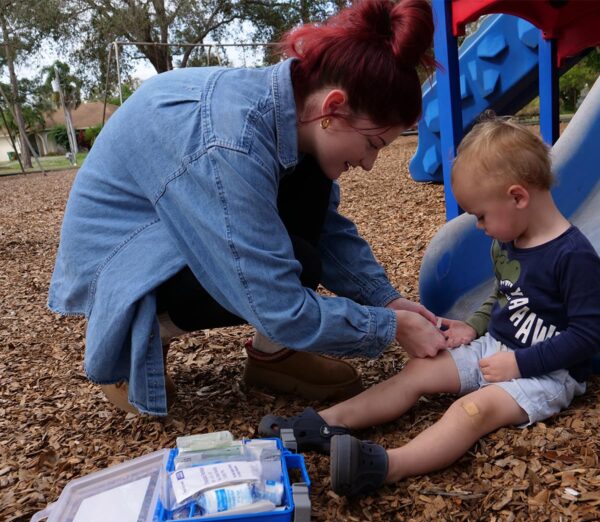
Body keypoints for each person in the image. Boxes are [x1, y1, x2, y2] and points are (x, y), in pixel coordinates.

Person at [48, 0, 446, 415]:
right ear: (333, 108)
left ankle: (274, 357)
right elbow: (275, 302)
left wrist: (387, 302)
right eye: (372, 144)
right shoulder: (230, 141)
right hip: (125, 255)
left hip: (175, 221)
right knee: (279, 273)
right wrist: (390, 329)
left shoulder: (295, 118)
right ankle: (133, 337)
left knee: (304, 246)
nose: (368, 163)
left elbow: (326, 233)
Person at [259, 117, 600, 496]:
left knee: (473, 411)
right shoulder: (511, 239)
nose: (479, 226)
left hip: (548, 374)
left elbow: (588, 336)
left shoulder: (575, 257)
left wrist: (521, 364)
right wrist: (474, 326)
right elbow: (507, 291)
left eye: (481, 216)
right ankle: (320, 424)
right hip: (496, 351)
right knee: (419, 371)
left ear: (518, 197)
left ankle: (385, 466)